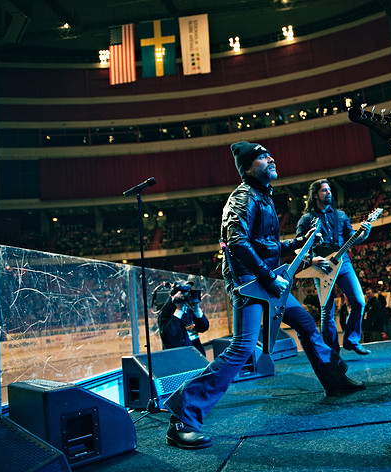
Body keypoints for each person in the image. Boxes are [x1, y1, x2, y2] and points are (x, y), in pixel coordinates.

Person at [164, 141, 365, 450]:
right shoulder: (243, 197)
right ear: (247, 168)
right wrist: (269, 277)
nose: (271, 158)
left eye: (270, 154)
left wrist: (297, 242)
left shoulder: (263, 197)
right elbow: (238, 242)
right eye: (261, 156)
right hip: (251, 283)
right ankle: (183, 415)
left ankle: (334, 381)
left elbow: (264, 244)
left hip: (266, 280)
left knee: (307, 324)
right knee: (242, 349)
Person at [296, 179, 372, 355]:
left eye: (329, 190)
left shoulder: (341, 215)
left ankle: (351, 340)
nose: (328, 193)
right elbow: (299, 246)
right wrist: (312, 260)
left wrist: (365, 233)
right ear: (315, 195)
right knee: (327, 312)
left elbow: (353, 238)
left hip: (343, 262)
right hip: (320, 266)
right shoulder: (306, 219)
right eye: (324, 190)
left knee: (359, 301)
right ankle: (332, 352)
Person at [157, 280, 209, 356]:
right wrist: (178, 310)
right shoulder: (167, 311)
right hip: (178, 358)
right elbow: (169, 335)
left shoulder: (188, 308)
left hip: (195, 354)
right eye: (183, 292)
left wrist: (197, 310)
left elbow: (203, 327)